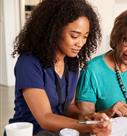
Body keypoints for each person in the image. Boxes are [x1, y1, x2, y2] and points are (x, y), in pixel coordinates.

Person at [7, 0, 111, 135]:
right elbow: (45, 118)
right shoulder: (28, 63)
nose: (80, 43)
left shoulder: (72, 62)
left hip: (60, 131)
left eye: (85, 37)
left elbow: (69, 107)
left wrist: (87, 119)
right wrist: (86, 127)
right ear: (54, 30)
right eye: (74, 36)